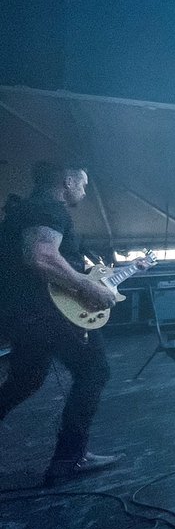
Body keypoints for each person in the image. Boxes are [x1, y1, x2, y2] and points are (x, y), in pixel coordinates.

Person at [0, 162, 150, 484]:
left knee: (25, 381)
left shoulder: (28, 209)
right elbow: (40, 255)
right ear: (67, 181)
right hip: (50, 313)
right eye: (81, 183)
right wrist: (86, 287)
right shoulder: (49, 209)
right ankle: (70, 459)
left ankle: (69, 458)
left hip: (26, 313)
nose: (84, 190)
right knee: (94, 370)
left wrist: (118, 272)